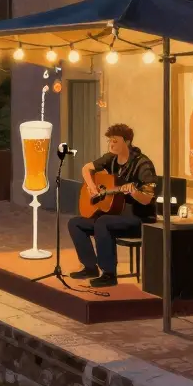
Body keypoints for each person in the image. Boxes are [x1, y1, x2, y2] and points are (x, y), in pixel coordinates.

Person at [69, 123, 157, 288]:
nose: (111, 144)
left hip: (139, 218)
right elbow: (86, 168)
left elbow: (147, 199)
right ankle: (90, 268)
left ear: (128, 142)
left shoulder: (143, 164)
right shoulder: (110, 158)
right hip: (116, 214)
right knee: (75, 223)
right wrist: (92, 187)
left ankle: (109, 274)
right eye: (110, 141)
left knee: (103, 222)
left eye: (115, 141)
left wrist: (133, 192)